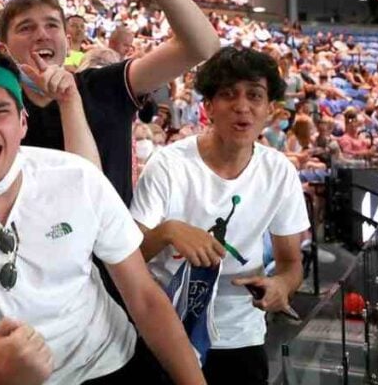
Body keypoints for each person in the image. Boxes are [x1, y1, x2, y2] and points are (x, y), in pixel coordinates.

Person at [0, 48, 206, 384]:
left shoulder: (76, 177)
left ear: (22, 122)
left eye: (0, 111)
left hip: (114, 362)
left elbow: (145, 298)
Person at [132, 48, 310, 385]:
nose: (242, 106)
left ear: (269, 109)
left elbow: (291, 263)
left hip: (240, 334)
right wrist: (168, 231)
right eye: (228, 94)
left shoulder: (279, 172)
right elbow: (128, 254)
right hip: (165, 327)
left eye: (255, 96)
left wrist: (280, 286)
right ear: (209, 107)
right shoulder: (169, 165)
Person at [0, 0, 220, 206]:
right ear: (4, 49)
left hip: (112, 246)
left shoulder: (105, 85)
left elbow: (202, 47)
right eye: (26, 27)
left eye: (52, 25)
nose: (42, 34)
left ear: (67, 43)